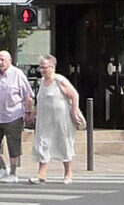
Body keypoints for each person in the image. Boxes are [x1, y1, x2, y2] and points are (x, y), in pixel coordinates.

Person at [31, 55, 85, 184]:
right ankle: (41, 174)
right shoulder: (41, 82)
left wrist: (74, 110)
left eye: (45, 67)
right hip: (44, 120)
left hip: (61, 119)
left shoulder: (59, 80)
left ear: (52, 67)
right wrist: (34, 112)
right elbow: (40, 99)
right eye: (41, 67)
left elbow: (74, 95)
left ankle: (68, 173)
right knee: (42, 143)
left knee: (63, 143)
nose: (42, 70)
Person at [0, 49, 32, 183]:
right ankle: (3, 168)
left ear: (9, 61)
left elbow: (28, 95)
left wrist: (28, 112)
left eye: (3, 60)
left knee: (13, 145)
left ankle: (13, 173)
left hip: (13, 115)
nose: (0, 62)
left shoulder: (17, 74)